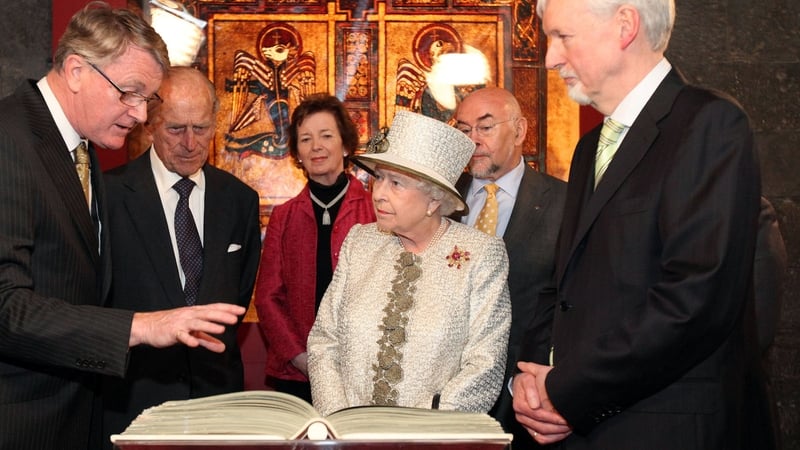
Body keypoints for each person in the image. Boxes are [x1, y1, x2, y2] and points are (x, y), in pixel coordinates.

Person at [512, 0, 775, 448]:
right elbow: (564, 287)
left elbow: (695, 299)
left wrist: (569, 391)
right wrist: (532, 380)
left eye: (563, 37)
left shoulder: (710, 123)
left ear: (625, 25)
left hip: (666, 428)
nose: (551, 58)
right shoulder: (589, 146)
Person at [0, 4, 246, 449]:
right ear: (76, 70)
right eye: (129, 93)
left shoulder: (81, 146)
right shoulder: (9, 139)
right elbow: (6, 308)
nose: (137, 115)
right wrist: (142, 326)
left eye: (146, 100)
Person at [307, 111, 511, 415]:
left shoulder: (480, 255)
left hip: (434, 441)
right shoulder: (360, 242)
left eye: (396, 183)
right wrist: (339, 420)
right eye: (379, 179)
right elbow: (324, 341)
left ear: (433, 201)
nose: (379, 194)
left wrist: (421, 429)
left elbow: (485, 363)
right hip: (349, 435)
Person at [100, 67, 262, 447]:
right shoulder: (108, 196)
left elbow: (238, 292)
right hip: (134, 399)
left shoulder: (239, 200)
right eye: (175, 129)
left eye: (201, 128)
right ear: (150, 125)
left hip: (217, 400)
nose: (190, 143)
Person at [452, 86, 566, 447]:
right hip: (443, 399)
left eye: (485, 128)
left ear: (519, 130)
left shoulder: (565, 203)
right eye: (464, 129)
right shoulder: (439, 199)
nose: (473, 140)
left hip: (525, 397)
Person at [254, 94, 375, 403]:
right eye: (305, 139)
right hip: (298, 374)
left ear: (346, 145)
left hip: (366, 371)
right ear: (297, 152)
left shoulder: (376, 210)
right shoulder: (284, 217)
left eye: (326, 136)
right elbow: (268, 298)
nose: (316, 146)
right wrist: (300, 357)